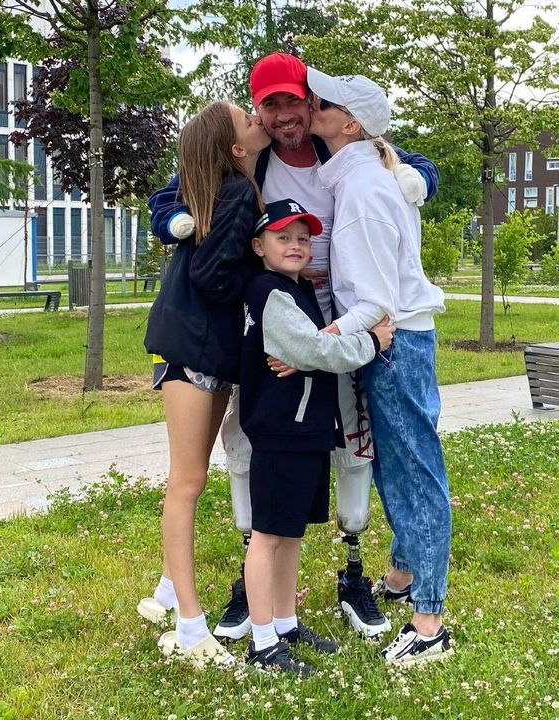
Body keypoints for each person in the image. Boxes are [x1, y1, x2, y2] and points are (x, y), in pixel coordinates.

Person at [142, 52, 439, 642]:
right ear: (256, 112)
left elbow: (406, 159)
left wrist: (419, 180)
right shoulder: (249, 158)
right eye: (268, 105)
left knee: (348, 445)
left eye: (293, 101)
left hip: (340, 317)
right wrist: (176, 223)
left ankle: (352, 568)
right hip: (267, 320)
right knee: (255, 442)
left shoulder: (338, 145)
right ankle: (253, 581)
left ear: (313, 104)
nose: (282, 115)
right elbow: (175, 193)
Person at [303, 67, 454, 666]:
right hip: (400, 341)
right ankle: (402, 574)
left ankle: (429, 623)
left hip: (394, 343)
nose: (311, 105)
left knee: (414, 473)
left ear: (350, 124)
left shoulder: (363, 192)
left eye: (323, 102)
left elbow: (374, 305)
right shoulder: (364, 177)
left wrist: (313, 342)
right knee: (397, 466)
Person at [238, 198, 394, 674]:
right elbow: (314, 350)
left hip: (305, 431)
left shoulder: (296, 287)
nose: (296, 245)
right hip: (280, 431)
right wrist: (372, 341)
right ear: (258, 246)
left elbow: (310, 348)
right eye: (283, 237)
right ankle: (262, 643)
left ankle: (285, 623)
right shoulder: (268, 291)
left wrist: (313, 349)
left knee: (290, 534)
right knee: (267, 536)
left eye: (303, 238)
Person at [140, 100, 268, 668]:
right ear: (235, 148)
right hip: (194, 350)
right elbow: (212, 275)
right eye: (247, 119)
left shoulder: (217, 187)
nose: (257, 118)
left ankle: (170, 588)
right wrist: (267, 275)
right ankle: (190, 628)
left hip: (199, 348)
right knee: (187, 482)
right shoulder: (236, 191)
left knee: (189, 477)